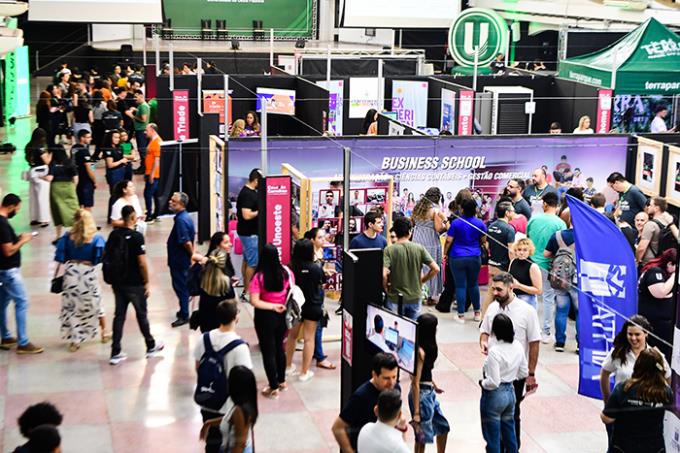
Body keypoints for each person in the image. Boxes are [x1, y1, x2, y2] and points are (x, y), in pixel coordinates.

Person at [480, 272, 540, 450]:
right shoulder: (492, 308)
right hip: (493, 369)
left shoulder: (527, 311)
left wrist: (530, 374)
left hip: (514, 376)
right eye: (493, 289)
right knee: (498, 420)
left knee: (511, 418)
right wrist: (483, 341)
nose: (495, 293)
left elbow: (534, 343)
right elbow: (484, 330)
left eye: (499, 289)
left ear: (511, 287)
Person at [107, 205, 164, 365]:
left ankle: (115, 350)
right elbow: (142, 263)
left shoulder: (113, 235)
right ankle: (150, 345)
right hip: (135, 283)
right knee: (141, 315)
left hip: (118, 282)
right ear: (132, 218)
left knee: (119, 316)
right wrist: (147, 282)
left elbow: (107, 256)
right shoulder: (137, 237)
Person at [194, 300, 253, 453]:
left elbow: (198, 368)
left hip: (206, 400)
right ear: (236, 318)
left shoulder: (204, 339)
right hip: (228, 407)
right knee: (232, 443)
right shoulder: (240, 347)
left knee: (212, 442)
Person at [55, 209, 108, 351]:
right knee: (96, 302)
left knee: (72, 307)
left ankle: (75, 340)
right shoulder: (96, 238)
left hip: (71, 273)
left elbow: (60, 257)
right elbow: (101, 257)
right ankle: (104, 332)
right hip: (88, 273)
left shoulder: (67, 237)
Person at [601, 348, 672, 453]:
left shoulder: (623, 389)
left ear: (638, 365)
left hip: (623, 447)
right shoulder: (666, 392)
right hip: (654, 448)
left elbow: (607, 419)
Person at [0, 194, 43, 354]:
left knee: (2, 303)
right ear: (10, 206)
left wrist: (17, 238)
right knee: (22, 302)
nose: (16, 212)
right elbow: (8, 250)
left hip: (3, 271)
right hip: (9, 271)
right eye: (17, 209)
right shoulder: (2, 224)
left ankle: (5, 336)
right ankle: (23, 342)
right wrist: (23, 240)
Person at [332, 353, 399, 453]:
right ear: (374, 375)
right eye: (386, 378)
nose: (391, 383)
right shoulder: (361, 397)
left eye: (394, 377)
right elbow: (337, 428)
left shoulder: (395, 389)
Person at [480, 313, 527, 453]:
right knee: (510, 434)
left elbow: (494, 382)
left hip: (495, 395)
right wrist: (511, 375)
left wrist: (483, 383)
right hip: (510, 392)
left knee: (492, 437)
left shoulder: (495, 352)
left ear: (495, 331)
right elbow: (524, 372)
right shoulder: (518, 346)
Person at [249, 243, 291, 399]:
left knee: (268, 351)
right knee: (280, 348)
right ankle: (282, 380)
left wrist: (272, 306)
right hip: (282, 315)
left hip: (264, 317)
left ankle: (273, 386)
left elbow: (255, 301)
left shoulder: (258, 277)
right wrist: (279, 305)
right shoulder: (286, 273)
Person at [526, 191, 566, 342]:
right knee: (548, 298)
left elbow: (527, 239)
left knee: (530, 296)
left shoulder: (533, 220)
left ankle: (529, 328)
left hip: (530, 263)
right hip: (548, 266)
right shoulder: (560, 223)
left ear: (544, 204)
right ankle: (546, 332)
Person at [383, 217, 440, 321]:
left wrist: (386, 287)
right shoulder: (419, 248)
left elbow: (384, 274)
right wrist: (422, 281)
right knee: (412, 330)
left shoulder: (389, 250)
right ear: (410, 232)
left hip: (395, 297)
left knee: (393, 330)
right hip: (414, 296)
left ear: (395, 232)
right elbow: (436, 269)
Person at [285, 239, 325, 382]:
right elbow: (322, 282)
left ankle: (288, 366)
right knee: (309, 339)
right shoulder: (316, 268)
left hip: (296, 306)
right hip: (313, 306)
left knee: (292, 336)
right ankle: (304, 372)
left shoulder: (290, 267)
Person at [410, 314, 449, 453]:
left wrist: (434, 385)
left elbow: (425, 372)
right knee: (422, 438)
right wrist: (416, 412)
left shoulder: (427, 347)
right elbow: (415, 382)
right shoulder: (419, 352)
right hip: (421, 396)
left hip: (429, 392)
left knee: (443, 426)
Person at [444, 198, 486, 323]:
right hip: (474, 256)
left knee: (460, 286)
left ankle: (461, 315)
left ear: (462, 209)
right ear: (475, 209)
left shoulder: (456, 223)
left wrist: (445, 253)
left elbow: (449, 240)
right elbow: (483, 241)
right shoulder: (480, 223)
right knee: (473, 285)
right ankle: (477, 313)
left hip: (457, 256)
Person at [200, 365, 258, 453]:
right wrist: (208, 423)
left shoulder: (240, 411)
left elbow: (240, 444)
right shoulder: (242, 405)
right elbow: (229, 419)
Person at [543, 210, 578, 352]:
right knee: (579, 313)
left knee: (561, 311)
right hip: (577, 281)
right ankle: (579, 345)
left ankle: (559, 343)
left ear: (569, 220)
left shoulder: (557, 235)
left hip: (559, 278)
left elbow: (546, 254)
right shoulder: (585, 237)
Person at [302, 228, 336, 370]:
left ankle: (317, 353)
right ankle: (319, 356)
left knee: (318, 326)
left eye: (324, 237)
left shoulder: (319, 253)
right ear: (312, 240)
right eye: (320, 237)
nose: (323, 240)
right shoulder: (309, 258)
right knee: (317, 326)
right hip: (313, 295)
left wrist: (324, 272)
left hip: (317, 293)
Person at [638, 249, 676, 361]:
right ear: (669, 263)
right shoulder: (655, 272)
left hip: (663, 324)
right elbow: (660, 292)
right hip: (655, 324)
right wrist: (675, 275)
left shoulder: (663, 274)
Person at [411, 187, 448, 305]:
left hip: (417, 238)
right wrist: (445, 224)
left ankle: (416, 292)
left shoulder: (418, 207)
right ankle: (429, 295)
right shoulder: (435, 210)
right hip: (430, 241)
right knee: (430, 266)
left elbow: (412, 222)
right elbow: (438, 228)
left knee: (418, 266)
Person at [195, 232, 236, 333]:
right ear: (217, 245)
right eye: (226, 242)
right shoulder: (214, 267)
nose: (230, 244)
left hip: (206, 312)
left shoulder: (207, 265)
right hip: (220, 317)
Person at [167, 192, 196, 327]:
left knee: (181, 287)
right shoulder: (183, 217)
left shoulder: (181, 221)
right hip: (178, 259)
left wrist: (192, 255)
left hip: (180, 260)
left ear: (182, 204)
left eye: (174, 201)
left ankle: (185, 315)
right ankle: (183, 309)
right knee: (180, 285)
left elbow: (186, 242)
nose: (170, 202)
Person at [484, 201, 516, 313]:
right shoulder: (509, 229)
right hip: (502, 267)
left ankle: (485, 318)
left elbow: (487, 246)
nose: (514, 213)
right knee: (502, 293)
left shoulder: (491, 226)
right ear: (507, 213)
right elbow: (511, 252)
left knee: (490, 292)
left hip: (491, 264)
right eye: (513, 211)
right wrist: (513, 267)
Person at [357, 389, 410, 453]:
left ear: (376, 410)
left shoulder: (365, 429)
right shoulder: (398, 446)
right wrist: (402, 430)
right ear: (399, 415)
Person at [46, 145, 79, 243]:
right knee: (73, 211)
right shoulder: (69, 162)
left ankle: (58, 236)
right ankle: (75, 233)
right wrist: (73, 188)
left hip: (56, 188)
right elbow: (76, 178)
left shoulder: (53, 163)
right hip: (69, 187)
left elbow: (49, 178)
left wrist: (39, 177)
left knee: (57, 212)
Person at [236, 169, 261, 301]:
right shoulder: (247, 195)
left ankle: (246, 290)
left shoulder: (250, 193)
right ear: (256, 180)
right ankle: (247, 291)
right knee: (252, 263)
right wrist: (260, 211)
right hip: (249, 233)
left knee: (247, 260)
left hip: (247, 233)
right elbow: (246, 215)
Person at [636, 196, 677, 266]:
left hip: (648, 263)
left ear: (656, 208)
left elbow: (641, 248)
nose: (648, 207)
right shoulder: (668, 224)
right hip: (661, 261)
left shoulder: (650, 224)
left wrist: (636, 261)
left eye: (650, 205)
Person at [24, 128, 52, 228]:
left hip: (32, 172)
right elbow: (47, 161)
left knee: (33, 197)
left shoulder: (28, 146)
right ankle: (44, 219)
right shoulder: (40, 147)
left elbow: (27, 158)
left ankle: (34, 218)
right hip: (42, 173)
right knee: (43, 197)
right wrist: (51, 153)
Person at [508, 238, 542, 310]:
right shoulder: (513, 261)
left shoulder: (533, 266)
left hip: (527, 300)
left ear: (529, 251)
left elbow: (538, 290)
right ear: (515, 250)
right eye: (519, 249)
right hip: (513, 298)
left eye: (525, 250)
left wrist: (519, 286)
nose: (521, 252)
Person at [71, 130, 96, 211]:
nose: (90, 139)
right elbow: (88, 167)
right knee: (87, 206)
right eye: (88, 137)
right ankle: (87, 222)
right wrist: (94, 180)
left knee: (79, 204)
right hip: (86, 180)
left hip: (77, 178)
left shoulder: (74, 148)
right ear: (82, 138)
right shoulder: (84, 151)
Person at [102, 129, 130, 199]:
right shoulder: (108, 149)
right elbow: (110, 164)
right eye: (115, 137)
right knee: (115, 194)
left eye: (118, 137)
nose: (117, 139)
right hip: (114, 173)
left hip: (121, 171)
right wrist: (121, 161)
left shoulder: (119, 147)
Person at [143, 123, 162, 222]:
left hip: (153, 174)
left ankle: (149, 215)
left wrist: (152, 174)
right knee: (155, 194)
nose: (145, 132)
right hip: (150, 172)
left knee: (148, 194)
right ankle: (157, 213)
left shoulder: (157, 143)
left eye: (147, 130)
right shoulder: (152, 141)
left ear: (153, 130)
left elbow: (157, 160)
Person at [128, 90, 150, 174]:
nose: (135, 99)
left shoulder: (143, 106)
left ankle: (143, 168)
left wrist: (132, 116)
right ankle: (143, 166)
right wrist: (136, 110)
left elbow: (143, 119)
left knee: (142, 150)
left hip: (141, 130)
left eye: (136, 97)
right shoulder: (142, 106)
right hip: (141, 130)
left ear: (141, 96)